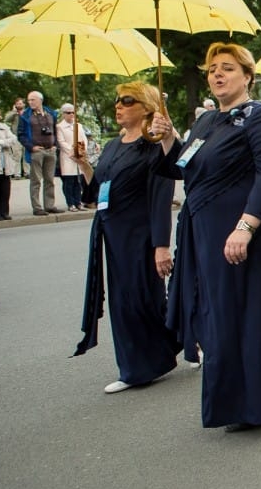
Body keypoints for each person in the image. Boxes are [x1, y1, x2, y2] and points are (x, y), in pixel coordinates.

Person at [150, 42, 261, 431]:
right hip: (208, 231)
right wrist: (168, 137)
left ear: (247, 76)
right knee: (220, 315)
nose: (218, 74)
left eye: (227, 68)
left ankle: (256, 401)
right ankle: (243, 395)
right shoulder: (206, 122)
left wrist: (245, 227)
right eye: (212, 69)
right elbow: (183, 168)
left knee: (253, 313)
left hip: (254, 232)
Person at [71, 82, 183, 392]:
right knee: (124, 302)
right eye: (117, 100)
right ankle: (137, 365)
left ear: (146, 107)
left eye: (127, 100)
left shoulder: (153, 145)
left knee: (144, 299)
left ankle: (162, 352)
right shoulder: (112, 145)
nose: (118, 106)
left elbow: (162, 195)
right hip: (112, 234)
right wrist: (83, 164)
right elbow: (97, 192)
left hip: (141, 234)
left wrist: (161, 245)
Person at [17, 91, 62, 215]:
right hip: (36, 151)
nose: (30, 102)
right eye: (29, 100)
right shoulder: (25, 116)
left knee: (50, 179)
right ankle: (37, 207)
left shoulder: (51, 113)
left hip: (50, 150)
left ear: (40, 100)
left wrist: (55, 145)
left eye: (33, 100)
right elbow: (21, 135)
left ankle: (49, 205)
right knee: (36, 180)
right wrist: (31, 147)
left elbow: (55, 131)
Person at [56, 103, 89, 212]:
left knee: (78, 181)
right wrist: (72, 150)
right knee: (69, 182)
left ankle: (78, 202)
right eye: (68, 113)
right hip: (68, 157)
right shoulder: (60, 126)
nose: (71, 115)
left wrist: (81, 150)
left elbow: (83, 139)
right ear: (63, 114)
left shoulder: (78, 125)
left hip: (79, 155)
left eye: (73, 112)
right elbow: (61, 142)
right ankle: (70, 203)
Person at [3, 98, 26, 179]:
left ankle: (27, 172)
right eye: (18, 104)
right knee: (17, 155)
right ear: (15, 105)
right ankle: (17, 174)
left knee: (26, 155)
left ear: (24, 104)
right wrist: (14, 112)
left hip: (26, 136)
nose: (19, 105)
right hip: (16, 136)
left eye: (21, 103)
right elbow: (6, 119)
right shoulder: (13, 113)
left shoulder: (27, 112)